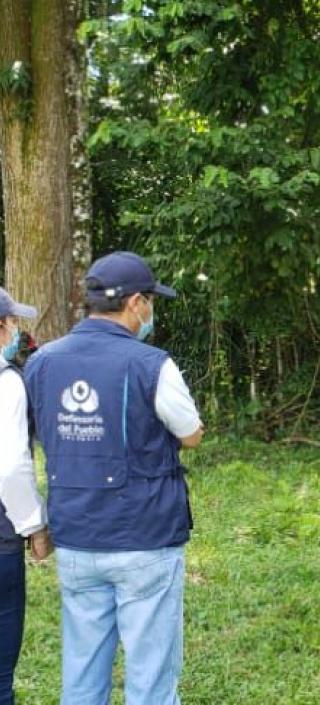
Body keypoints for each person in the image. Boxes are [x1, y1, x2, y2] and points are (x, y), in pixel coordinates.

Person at [24, 251, 205, 704]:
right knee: (151, 677)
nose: (151, 312)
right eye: (151, 302)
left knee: (82, 673)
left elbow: (31, 436)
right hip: (145, 537)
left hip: (76, 537)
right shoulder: (151, 364)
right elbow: (190, 434)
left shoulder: (42, 363)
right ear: (135, 303)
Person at [0, 288, 51, 705]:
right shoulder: (7, 383)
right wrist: (34, 525)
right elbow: (10, 467)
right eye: (14, 321)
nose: (18, 329)